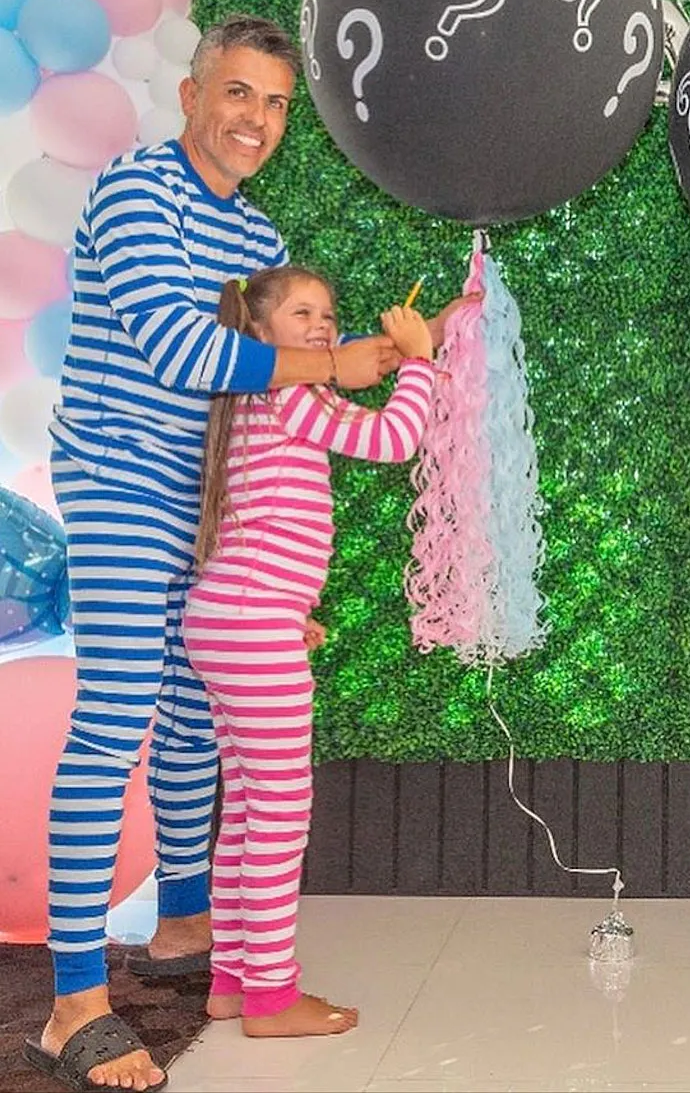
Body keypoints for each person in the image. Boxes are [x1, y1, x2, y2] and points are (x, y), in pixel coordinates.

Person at [29, 15, 469, 1092]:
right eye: (237, 92)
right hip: (124, 476)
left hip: (209, 501)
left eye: (274, 103)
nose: (256, 119)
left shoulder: (256, 235)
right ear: (190, 96)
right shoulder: (137, 191)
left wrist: (385, 351)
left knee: (192, 717)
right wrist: (344, 363)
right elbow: (186, 352)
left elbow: (261, 388)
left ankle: (186, 922)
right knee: (118, 711)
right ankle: (74, 999)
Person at [184, 266, 436, 1036]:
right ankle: (270, 996)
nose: (323, 324)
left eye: (328, 313)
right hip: (249, 622)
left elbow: (261, 527)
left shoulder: (257, 401)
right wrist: (419, 361)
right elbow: (394, 439)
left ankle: (232, 981)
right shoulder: (291, 393)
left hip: (231, 618)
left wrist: (285, 612)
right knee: (280, 813)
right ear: (260, 333)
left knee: (247, 808)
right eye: (302, 313)